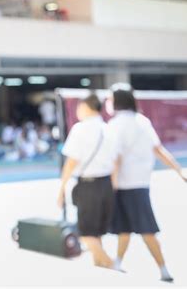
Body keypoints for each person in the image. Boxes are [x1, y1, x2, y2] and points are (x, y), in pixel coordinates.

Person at [107, 83, 187, 282]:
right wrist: (179, 171)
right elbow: (159, 150)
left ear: (116, 101)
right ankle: (118, 262)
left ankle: (163, 269)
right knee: (125, 229)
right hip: (140, 184)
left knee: (144, 230)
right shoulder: (143, 121)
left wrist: (112, 186)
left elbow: (115, 159)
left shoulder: (116, 125)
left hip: (125, 186)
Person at [57, 94, 117, 268]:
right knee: (97, 232)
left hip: (88, 185)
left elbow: (71, 163)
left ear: (87, 107)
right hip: (106, 184)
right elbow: (116, 161)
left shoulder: (80, 129)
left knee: (85, 233)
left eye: (79, 107)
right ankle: (100, 266)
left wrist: (61, 189)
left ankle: (111, 264)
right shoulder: (109, 128)